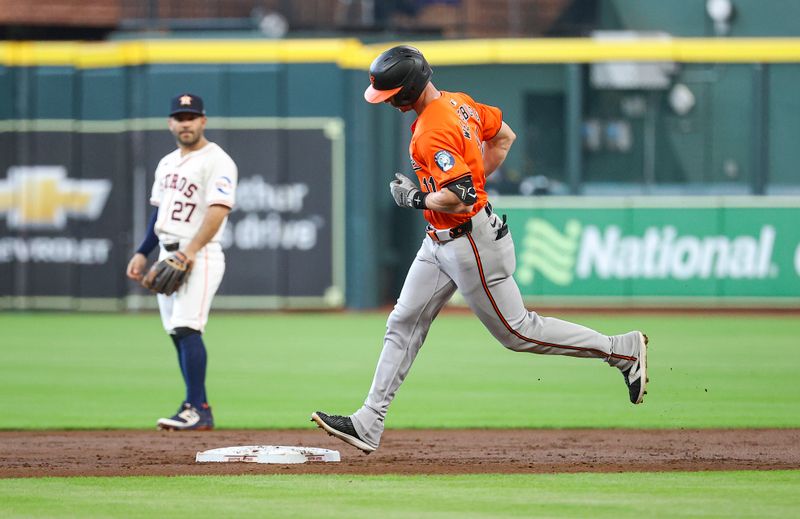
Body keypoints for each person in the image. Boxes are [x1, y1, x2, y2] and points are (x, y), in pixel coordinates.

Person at [311, 46, 648, 453]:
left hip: (470, 241)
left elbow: (462, 197)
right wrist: (465, 183)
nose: (390, 105)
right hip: (441, 240)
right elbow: (505, 137)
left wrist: (415, 199)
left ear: (409, 89)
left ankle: (621, 351)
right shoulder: (460, 103)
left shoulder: (431, 129)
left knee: (518, 331)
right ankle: (369, 421)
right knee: (403, 323)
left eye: (392, 96)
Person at [126, 93, 238, 431]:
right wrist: (143, 251)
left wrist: (188, 253)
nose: (185, 122)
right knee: (177, 332)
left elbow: (218, 211)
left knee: (188, 327)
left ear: (203, 121)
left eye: (191, 116)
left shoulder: (217, 160)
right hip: (166, 251)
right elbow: (158, 212)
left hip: (199, 254)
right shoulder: (167, 163)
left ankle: (198, 409)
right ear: (170, 123)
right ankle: (194, 404)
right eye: (179, 116)